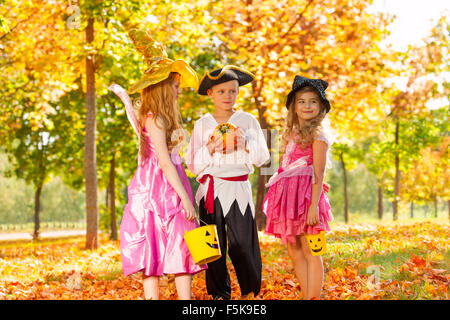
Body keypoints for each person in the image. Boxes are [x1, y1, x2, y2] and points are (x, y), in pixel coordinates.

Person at [109, 29, 206, 300]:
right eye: (175, 87)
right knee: (170, 246)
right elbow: (163, 162)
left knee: (173, 247)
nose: (178, 92)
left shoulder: (154, 118)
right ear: (164, 87)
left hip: (161, 184)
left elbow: (170, 159)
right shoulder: (156, 119)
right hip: (160, 189)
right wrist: (186, 199)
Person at [186, 65, 270, 300]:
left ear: (238, 93)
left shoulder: (247, 120)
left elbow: (263, 157)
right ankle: (219, 294)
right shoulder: (202, 124)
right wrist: (211, 147)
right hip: (210, 191)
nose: (227, 96)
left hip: (238, 189)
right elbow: (192, 164)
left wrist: (245, 145)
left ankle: (249, 291)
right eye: (221, 91)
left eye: (232, 91)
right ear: (211, 93)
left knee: (242, 243)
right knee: (214, 247)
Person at [263, 75, 334, 300]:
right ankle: (307, 295)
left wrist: (314, 205)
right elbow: (293, 165)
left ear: (321, 106)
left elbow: (318, 171)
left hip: (307, 200)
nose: (307, 106)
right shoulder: (293, 133)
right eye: (301, 101)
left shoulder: (319, 135)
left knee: (311, 248)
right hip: (289, 197)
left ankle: (313, 297)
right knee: (293, 248)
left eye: (313, 101)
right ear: (294, 106)